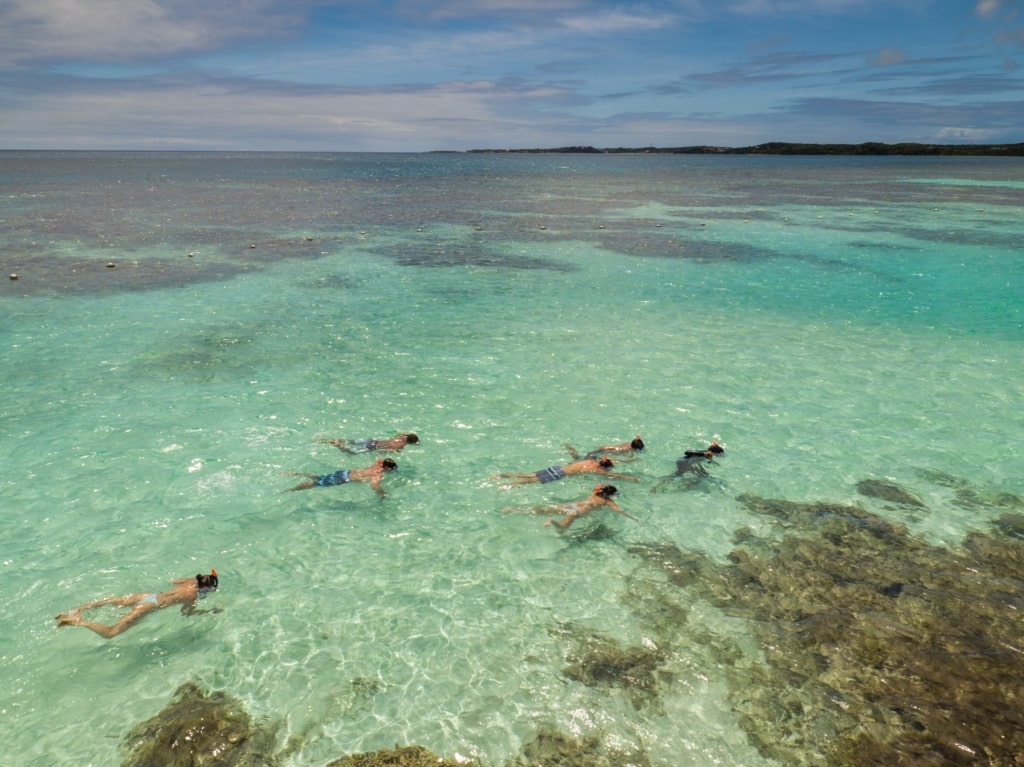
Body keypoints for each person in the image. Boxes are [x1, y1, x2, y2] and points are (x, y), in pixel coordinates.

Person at [55, 570, 220, 639]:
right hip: (152, 606)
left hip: (150, 595)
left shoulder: (190, 581)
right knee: (111, 633)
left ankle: (79, 609)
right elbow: (186, 613)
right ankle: (80, 621)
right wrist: (209, 611)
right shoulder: (193, 598)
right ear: (205, 590)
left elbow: (173, 581)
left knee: (114, 601)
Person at [533, 485, 636, 531]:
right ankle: (551, 521)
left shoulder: (595, 492)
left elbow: (599, 485)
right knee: (561, 528)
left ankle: (518, 510)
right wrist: (633, 518)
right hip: (575, 512)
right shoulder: (608, 501)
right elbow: (619, 511)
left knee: (542, 510)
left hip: (571, 505)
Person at [491, 456, 640, 487]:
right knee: (531, 481)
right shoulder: (596, 469)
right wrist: (629, 478)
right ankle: (509, 485)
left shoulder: (590, 461)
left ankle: (501, 475)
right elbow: (611, 476)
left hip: (556, 468)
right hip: (559, 474)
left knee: (529, 474)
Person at [284, 457, 398, 497]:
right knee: (316, 484)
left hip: (345, 472)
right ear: (387, 468)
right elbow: (374, 485)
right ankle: (292, 490)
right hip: (343, 479)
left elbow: (381, 459)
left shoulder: (378, 463)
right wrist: (381, 493)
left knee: (320, 478)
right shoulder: (377, 474)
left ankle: (297, 473)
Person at [319, 432, 418, 454]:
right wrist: (380, 453)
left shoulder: (401, 436)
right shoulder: (402, 445)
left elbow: (398, 434)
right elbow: (389, 451)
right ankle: (336, 445)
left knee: (350, 441)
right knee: (351, 453)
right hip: (372, 447)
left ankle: (326, 440)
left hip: (371, 441)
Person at [564, 435, 645, 461]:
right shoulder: (627, 450)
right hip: (602, 452)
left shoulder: (629, 444)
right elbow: (611, 449)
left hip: (602, 451)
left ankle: (569, 447)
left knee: (580, 458)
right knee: (578, 459)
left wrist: (639, 438)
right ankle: (569, 447)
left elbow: (637, 441)